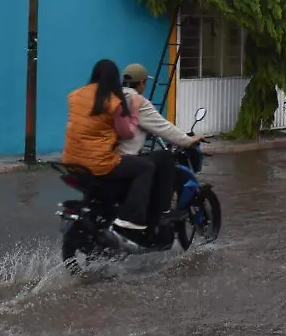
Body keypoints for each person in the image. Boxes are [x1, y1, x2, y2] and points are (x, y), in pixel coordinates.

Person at [61, 59, 155, 241]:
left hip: (71, 160)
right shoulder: (113, 101)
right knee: (146, 167)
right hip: (99, 163)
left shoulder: (75, 95)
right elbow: (127, 133)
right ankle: (132, 218)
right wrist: (135, 110)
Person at [118, 63, 203, 235]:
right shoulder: (138, 102)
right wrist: (188, 141)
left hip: (104, 155)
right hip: (124, 158)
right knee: (165, 158)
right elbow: (164, 128)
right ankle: (163, 210)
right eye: (145, 83)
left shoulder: (113, 97)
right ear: (142, 83)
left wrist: (144, 132)